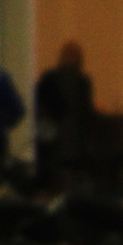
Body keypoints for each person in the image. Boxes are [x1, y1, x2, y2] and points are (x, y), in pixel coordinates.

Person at [33, 41, 98, 187]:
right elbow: (86, 112)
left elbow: (39, 107)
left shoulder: (48, 77)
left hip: (51, 139)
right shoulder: (83, 81)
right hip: (75, 139)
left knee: (52, 176)